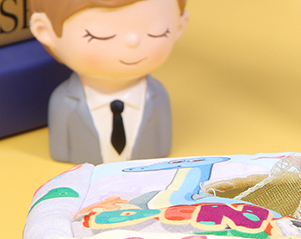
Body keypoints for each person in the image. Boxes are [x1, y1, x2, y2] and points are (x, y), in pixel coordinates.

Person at [30, 0, 189, 164]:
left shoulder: (158, 98)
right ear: (45, 31)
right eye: (100, 35)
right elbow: (60, 152)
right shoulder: (64, 103)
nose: (133, 41)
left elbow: (162, 146)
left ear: (179, 26)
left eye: (157, 33)